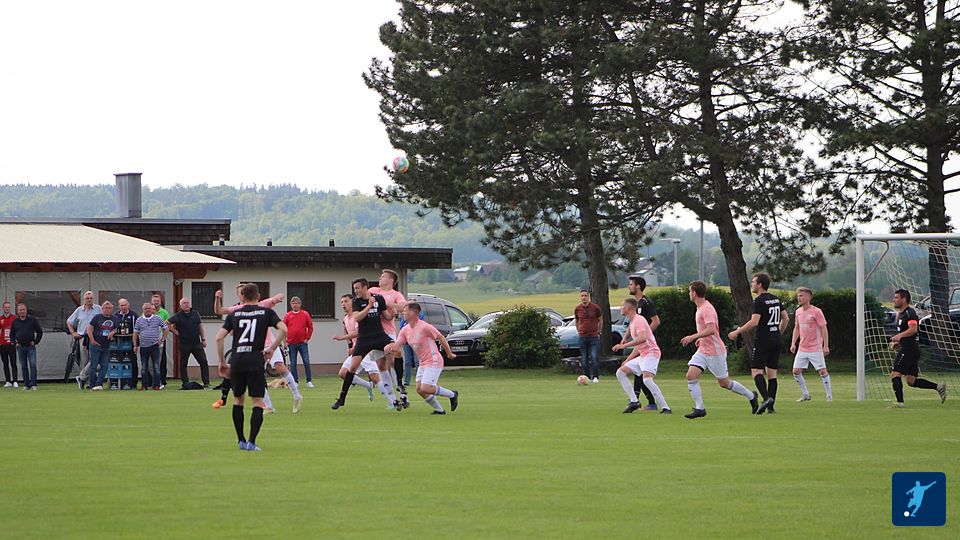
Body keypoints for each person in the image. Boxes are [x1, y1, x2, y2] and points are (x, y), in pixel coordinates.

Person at [215, 282, 287, 451]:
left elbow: (219, 338)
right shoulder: (266, 312)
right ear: (258, 296)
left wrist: (222, 362)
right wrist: (272, 348)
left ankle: (241, 440)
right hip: (255, 360)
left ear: (242, 296)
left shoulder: (235, 313)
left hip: (237, 360)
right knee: (257, 401)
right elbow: (283, 329)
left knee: (238, 400)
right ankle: (252, 442)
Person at [680, 281, 758, 419]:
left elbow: (711, 330)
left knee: (724, 383)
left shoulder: (707, 309)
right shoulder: (700, 308)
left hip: (715, 351)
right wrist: (700, 339)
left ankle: (751, 396)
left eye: (690, 291)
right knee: (691, 375)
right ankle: (699, 408)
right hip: (703, 350)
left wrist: (693, 337)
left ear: (694, 293)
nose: (689, 293)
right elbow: (706, 330)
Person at [215, 286, 297, 413]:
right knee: (256, 376)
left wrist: (277, 297)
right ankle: (268, 406)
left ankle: (296, 395)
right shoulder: (236, 310)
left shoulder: (262, 306)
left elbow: (219, 337)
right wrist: (217, 298)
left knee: (280, 367)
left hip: (268, 345)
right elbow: (219, 311)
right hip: (251, 350)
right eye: (240, 292)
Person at [332, 277, 402, 411]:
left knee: (397, 351)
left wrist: (393, 313)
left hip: (379, 336)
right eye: (354, 289)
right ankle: (342, 398)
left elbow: (387, 316)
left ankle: (399, 385)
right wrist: (369, 306)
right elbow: (357, 317)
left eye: (357, 288)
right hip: (364, 339)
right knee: (351, 368)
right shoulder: (356, 302)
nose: (355, 291)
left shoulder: (378, 299)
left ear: (365, 287)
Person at [728, 273, 789, 415]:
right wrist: (778, 332)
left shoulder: (759, 301)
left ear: (760, 284)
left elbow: (754, 322)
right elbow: (785, 318)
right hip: (775, 339)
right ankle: (771, 408)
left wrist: (737, 331)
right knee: (772, 374)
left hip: (763, 339)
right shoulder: (775, 299)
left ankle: (766, 399)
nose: (752, 284)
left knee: (756, 371)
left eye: (754, 282)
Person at [386, 302, 459, 414]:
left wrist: (449, 354)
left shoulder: (425, 327)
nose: (403, 313)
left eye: (405, 311)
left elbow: (441, 338)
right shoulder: (405, 330)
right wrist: (389, 348)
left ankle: (452, 394)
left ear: (413, 313)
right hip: (423, 362)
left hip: (433, 360)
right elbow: (397, 346)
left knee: (426, 388)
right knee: (420, 390)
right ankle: (440, 410)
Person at [889, 289, 946, 407]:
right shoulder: (901, 314)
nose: (893, 300)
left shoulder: (910, 313)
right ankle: (938, 387)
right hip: (910, 348)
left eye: (896, 297)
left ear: (904, 299)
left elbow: (913, 329)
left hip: (908, 349)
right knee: (911, 381)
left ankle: (900, 403)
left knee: (895, 374)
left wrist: (899, 336)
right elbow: (909, 334)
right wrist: (899, 342)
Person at [613, 297, 671, 414]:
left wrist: (623, 346)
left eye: (622, 306)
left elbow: (642, 339)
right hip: (643, 355)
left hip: (651, 353)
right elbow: (639, 346)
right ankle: (634, 401)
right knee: (620, 372)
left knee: (647, 380)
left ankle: (666, 408)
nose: (621, 308)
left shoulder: (639, 320)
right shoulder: (633, 321)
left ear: (628, 308)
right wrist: (628, 359)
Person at [369, 269, 408, 400]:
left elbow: (404, 307)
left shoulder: (395, 294)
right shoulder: (373, 290)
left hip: (388, 332)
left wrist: (386, 304)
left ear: (391, 280)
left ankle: (402, 393)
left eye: (383, 276)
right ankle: (392, 399)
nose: (380, 278)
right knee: (380, 364)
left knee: (392, 359)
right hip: (375, 332)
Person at [790, 287, 832, 402]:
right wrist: (793, 343)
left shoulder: (816, 311)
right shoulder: (798, 312)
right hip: (802, 348)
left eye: (801, 296)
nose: (799, 298)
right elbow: (797, 328)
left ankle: (829, 396)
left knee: (822, 372)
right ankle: (805, 394)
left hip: (815, 347)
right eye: (798, 296)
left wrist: (825, 345)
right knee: (796, 371)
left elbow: (823, 328)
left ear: (809, 297)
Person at [334, 294, 379, 402]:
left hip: (366, 351)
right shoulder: (345, 318)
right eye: (342, 302)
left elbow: (358, 332)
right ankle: (368, 385)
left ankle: (395, 399)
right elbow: (348, 334)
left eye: (346, 301)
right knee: (343, 373)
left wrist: (341, 338)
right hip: (357, 351)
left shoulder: (358, 316)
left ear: (352, 302)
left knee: (376, 378)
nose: (343, 304)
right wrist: (350, 347)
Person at [625, 275, 659, 410]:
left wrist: (646, 335)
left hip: (646, 345)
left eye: (631, 284)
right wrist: (626, 337)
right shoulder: (636, 304)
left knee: (641, 373)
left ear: (638, 286)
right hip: (640, 344)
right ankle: (646, 401)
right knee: (639, 373)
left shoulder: (646, 302)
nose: (629, 286)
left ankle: (637, 400)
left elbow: (656, 321)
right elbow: (633, 322)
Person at [167, 297, 210, 387]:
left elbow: (200, 326)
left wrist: (203, 339)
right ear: (181, 306)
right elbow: (167, 323)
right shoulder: (178, 315)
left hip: (196, 343)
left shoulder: (195, 313)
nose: (186, 304)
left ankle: (206, 382)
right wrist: (175, 332)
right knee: (183, 364)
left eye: (187, 303)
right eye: (184, 303)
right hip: (184, 344)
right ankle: (185, 382)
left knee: (203, 361)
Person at [66, 290, 102, 390]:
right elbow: (69, 321)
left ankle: (81, 377)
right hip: (83, 338)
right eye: (87, 298)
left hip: (95, 338)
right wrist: (73, 332)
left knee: (95, 360)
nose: (89, 300)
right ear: (84, 299)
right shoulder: (79, 310)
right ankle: (88, 383)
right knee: (84, 361)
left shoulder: (98, 309)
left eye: (91, 298)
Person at [134, 302, 168, 390]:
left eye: (149, 308)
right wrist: (135, 345)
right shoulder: (139, 320)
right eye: (146, 309)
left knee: (156, 367)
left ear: (152, 310)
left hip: (154, 346)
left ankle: (156, 385)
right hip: (143, 346)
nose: (148, 310)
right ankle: (144, 386)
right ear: (143, 310)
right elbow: (135, 333)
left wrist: (162, 339)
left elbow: (166, 328)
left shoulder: (157, 318)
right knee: (144, 367)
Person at [10, 303, 42, 390]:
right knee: (23, 366)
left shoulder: (32, 320)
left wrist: (36, 341)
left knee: (33, 364)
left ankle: (33, 384)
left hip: (30, 347)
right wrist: (14, 343)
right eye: (20, 310)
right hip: (20, 347)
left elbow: (39, 331)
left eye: (23, 309)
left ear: (26, 310)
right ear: (17, 311)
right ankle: (26, 384)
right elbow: (11, 334)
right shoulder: (15, 322)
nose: (22, 311)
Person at [283, 296, 314, 387]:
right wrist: (285, 341)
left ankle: (309, 381)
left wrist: (307, 338)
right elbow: (283, 329)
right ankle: (295, 381)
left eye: (296, 303)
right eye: (293, 303)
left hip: (302, 343)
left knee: (306, 361)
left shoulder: (305, 314)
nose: (295, 305)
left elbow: (310, 327)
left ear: (300, 304)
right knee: (293, 363)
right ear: (290, 305)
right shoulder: (287, 315)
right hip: (291, 343)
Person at [85, 301, 116, 391]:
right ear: (102, 309)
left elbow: (115, 328)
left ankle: (99, 384)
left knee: (105, 366)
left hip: (106, 345)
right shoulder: (97, 317)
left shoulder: (114, 318)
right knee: (93, 366)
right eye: (106, 308)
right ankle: (92, 384)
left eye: (109, 308)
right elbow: (89, 329)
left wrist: (112, 332)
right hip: (96, 345)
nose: (107, 310)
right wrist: (92, 340)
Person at [574, 289, 602, 383]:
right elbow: (577, 320)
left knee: (594, 356)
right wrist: (579, 330)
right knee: (584, 358)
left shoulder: (595, 308)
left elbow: (600, 320)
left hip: (593, 336)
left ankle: (596, 376)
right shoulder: (577, 308)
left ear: (588, 296)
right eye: (582, 296)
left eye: (585, 295)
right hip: (582, 336)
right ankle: (587, 377)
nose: (584, 297)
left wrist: (599, 332)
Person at [114, 299, 139, 386]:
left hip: (130, 343)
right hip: (118, 343)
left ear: (128, 305)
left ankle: (134, 382)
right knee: (119, 361)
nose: (124, 307)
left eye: (125, 305)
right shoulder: (116, 316)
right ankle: (120, 382)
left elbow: (137, 330)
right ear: (119, 306)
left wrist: (136, 344)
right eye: (122, 305)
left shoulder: (134, 315)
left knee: (133, 361)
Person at [152, 293, 171, 387]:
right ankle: (152, 381)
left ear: (160, 302)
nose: (156, 302)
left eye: (157, 301)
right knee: (150, 362)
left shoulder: (164, 313)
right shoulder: (146, 311)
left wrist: (163, 338)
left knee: (161, 361)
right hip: (149, 341)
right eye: (154, 301)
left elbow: (168, 325)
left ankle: (162, 381)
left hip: (161, 340)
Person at [0, 301, 18, 388]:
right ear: (3, 308)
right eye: (5, 307)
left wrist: (16, 340)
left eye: (8, 307)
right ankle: (8, 381)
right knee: (5, 363)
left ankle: (15, 381)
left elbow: (18, 329)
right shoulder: (1, 319)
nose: (7, 308)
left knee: (13, 363)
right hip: (3, 344)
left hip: (11, 344)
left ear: (10, 308)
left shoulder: (14, 318)